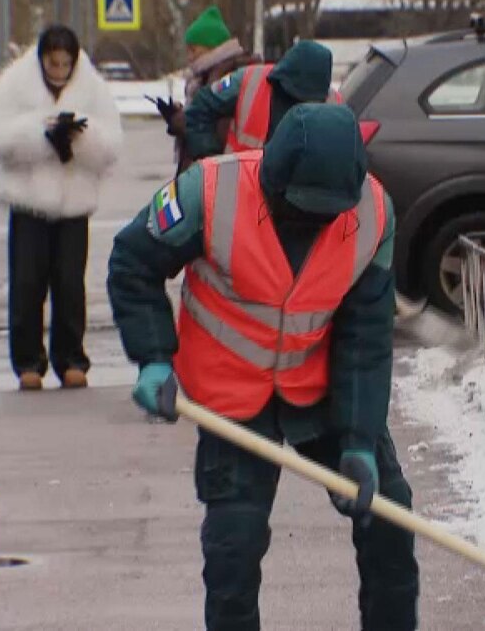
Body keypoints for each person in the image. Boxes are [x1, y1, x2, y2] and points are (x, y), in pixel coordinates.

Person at [106, 103, 419, 630]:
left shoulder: (374, 214)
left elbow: (366, 336)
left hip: (319, 389)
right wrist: (153, 358)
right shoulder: (205, 192)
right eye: (301, 211)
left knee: (388, 518)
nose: (312, 225)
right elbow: (133, 263)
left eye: (325, 214)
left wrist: (359, 439)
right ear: (274, 183)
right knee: (235, 547)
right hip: (231, 397)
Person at [0, 24, 123, 391]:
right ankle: (28, 361)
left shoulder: (91, 88)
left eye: (65, 65)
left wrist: (79, 138)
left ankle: (71, 358)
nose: (58, 71)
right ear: (41, 59)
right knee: (27, 284)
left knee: (70, 284)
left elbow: (110, 145)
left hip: (74, 206)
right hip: (29, 205)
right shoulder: (15, 84)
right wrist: (41, 135)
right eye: (52, 63)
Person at [180, 38, 342, 170]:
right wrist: (210, 157)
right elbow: (201, 107)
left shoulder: (335, 106)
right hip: (240, 184)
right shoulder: (248, 81)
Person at [152, 5, 261, 174]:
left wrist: (183, 121)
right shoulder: (207, 76)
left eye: (194, 49)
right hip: (207, 174)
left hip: (220, 174)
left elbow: (216, 134)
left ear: (212, 46)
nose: (189, 56)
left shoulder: (227, 77)